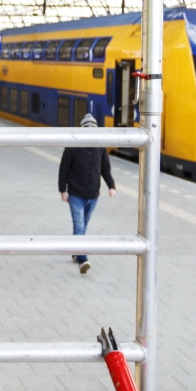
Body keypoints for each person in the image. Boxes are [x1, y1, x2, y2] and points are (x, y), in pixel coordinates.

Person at [58, 111, 116, 275]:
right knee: (80, 226)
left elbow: (105, 169)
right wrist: (63, 190)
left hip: (93, 197)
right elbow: (64, 169)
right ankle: (83, 259)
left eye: (93, 128)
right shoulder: (73, 147)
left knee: (83, 227)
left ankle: (76, 250)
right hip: (76, 194)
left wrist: (111, 186)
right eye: (87, 128)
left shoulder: (100, 148)